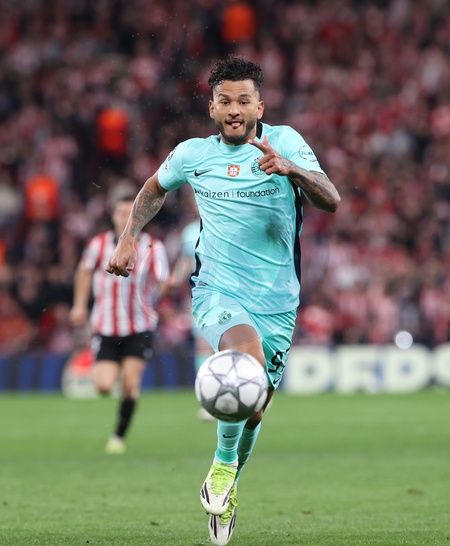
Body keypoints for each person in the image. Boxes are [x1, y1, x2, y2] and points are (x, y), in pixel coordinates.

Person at [106, 56, 340, 545]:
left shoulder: (286, 142)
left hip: (277, 300)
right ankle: (223, 466)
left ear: (260, 106)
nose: (235, 109)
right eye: (225, 101)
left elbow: (330, 199)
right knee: (245, 362)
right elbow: (152, 190)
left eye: (243, 100)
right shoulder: (193, 154)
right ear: (212, 108)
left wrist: (292, 169)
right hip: (217, 289)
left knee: (254, 409)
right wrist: (129, 238)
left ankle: (227, 474)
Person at [70, 194, 169, 454]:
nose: (126, 218)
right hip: (105, 327)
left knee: (130, 383)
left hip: (139, 327)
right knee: (103, 386)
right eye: (121, 213)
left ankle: (118, 437)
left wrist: (161, 292)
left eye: (131, 213)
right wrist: (79, 304)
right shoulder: (98, 244)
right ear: (113, 216)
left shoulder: (152, 246)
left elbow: (163, 281)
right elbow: (83, 271)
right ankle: (117, 376)